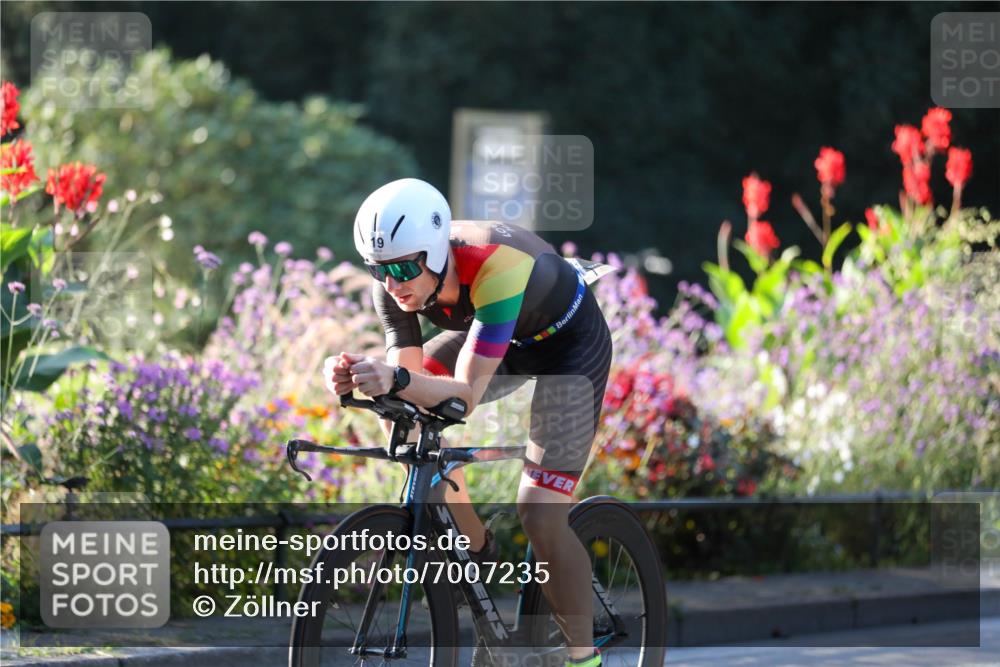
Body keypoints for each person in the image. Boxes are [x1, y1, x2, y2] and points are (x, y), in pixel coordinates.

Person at [326, 178, 611, 667]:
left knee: (540, 514)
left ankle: (584, 659)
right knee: (405, 416)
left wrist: (394, 377)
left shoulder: (495, 265)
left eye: (400, 268)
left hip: (568, 347)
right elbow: (413, 387)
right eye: (378, 270)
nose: (392, 285)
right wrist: (353, 376)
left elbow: (464, 398)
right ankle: (475, 546)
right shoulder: (394, 287)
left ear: (436, 254)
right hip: (498, 337)